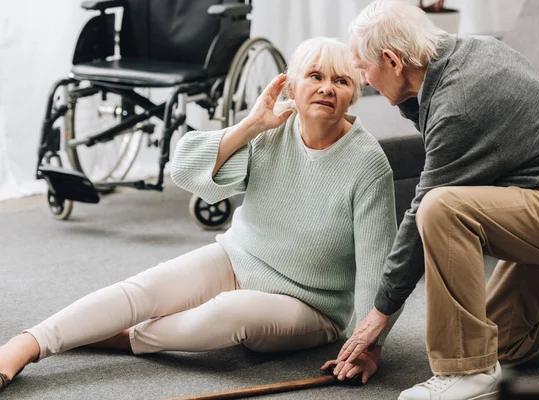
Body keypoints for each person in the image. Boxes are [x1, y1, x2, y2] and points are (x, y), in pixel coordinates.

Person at [0, 37, 399, 391]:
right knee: (147, 289)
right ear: (290, 85)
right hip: (239, 257)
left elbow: (377, 267)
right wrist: (251, 125)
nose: (327, 88)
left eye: (341, 81)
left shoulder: (368, 165)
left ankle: (122, 337)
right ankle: (24, 345)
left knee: (231, 312)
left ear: (354, 94)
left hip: (311, 304)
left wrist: (367, 346)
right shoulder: (272, 130)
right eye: (315, 76)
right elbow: (187, 171)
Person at [324, 1, 539, 399]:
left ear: (392, 59)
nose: (364, 79)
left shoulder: (460, 105)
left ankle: (467, 372)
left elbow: (422, 211)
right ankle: (484, 358)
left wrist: (379, 316)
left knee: (442, 208)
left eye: (363, 67)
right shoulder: (470, 51)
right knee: (502, 343)